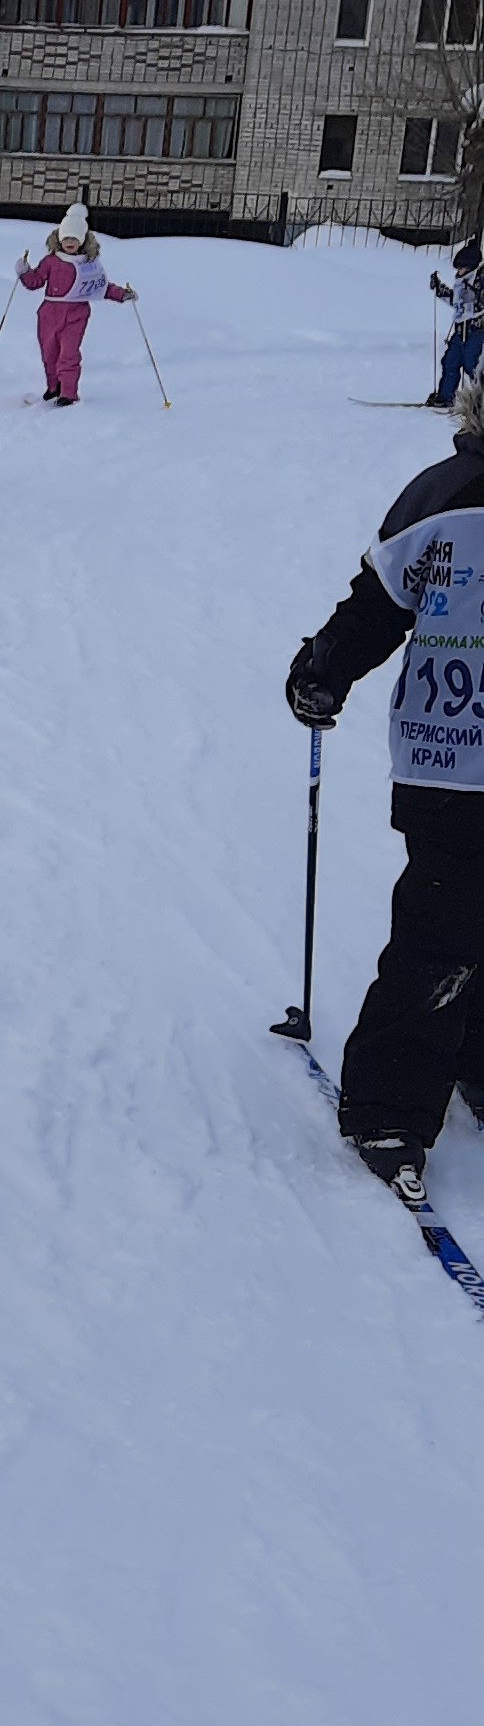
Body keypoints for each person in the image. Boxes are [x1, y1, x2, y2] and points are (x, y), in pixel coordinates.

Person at [285, 375, 484, 1203]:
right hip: (452, 756)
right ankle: (390, 1106)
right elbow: (377, 604)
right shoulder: (445, 497)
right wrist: (323, 667)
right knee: (442, 930)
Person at [17, 204, 137, 403]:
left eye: (74, 238)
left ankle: (68, 392)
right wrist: (24, 272)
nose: (69, 242)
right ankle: (53, 386)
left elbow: (101, 286)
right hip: (49, 313)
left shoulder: (88, 264)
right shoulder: (51, 261)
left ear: (82, 240)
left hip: (76, 314)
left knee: (69, 353)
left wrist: (122, 294)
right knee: (49, 352)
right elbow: (35, 281)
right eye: (66, 238)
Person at [427, 235, 483, 407]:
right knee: (450, 362)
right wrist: (440, 289)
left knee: (472, 366)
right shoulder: (461, 282)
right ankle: (445, 397)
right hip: (460, 331)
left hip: (476, 331)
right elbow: (457, 302)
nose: (458, 272)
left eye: (461, 268)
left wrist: (476, 295)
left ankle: (479, 401)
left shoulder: (480, 280)